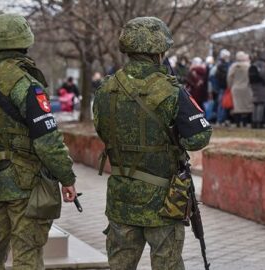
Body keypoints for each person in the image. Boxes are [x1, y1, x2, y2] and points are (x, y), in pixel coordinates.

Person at [0, 14, 77, 269]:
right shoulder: (25, 83)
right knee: (27, 256)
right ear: (24, 42)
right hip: (26, 184)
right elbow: (47, 140)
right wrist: (67, 178)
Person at [92, 17, 212, 270]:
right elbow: (198, 138)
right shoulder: (171, 90)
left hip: (121, 197)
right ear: (159, 52)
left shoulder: (105, 88)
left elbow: (102, 130)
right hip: (164, 202)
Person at [228, 51, 253, 127]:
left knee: (237, 106)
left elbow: (229, 78)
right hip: (246, 88)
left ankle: (237, 123)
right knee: (246, 106)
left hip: (235, 88)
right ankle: (245, 123)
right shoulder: (248, 66)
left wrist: (230, 86)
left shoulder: (233, 66)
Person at [249, 57, 265, 129]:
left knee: (255, 104)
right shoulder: (263, 65)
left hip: (254, 86)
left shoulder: (254, 65)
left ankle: (254, 121)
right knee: (260, 104)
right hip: (261, 86)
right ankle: (259, 121)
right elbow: (264, 75)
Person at [215, 49, 232, 125]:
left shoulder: (221, 64)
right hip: (223, 87)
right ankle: (220, 119)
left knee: (224, 104)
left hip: (223, 86)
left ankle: (222, 119)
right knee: (222, 104)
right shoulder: (222, 65)